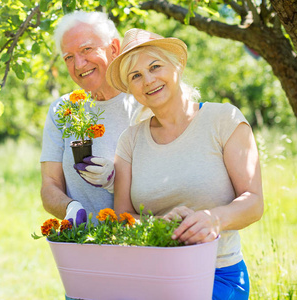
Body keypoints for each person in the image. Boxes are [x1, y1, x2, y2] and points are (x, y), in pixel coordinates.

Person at [106, 28, 264, 300]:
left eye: (155, 66)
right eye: (136, 76)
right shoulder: (129, 141)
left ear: (177, 64)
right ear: (130, 89)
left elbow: (254, 202)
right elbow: (123, 218)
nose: (148, 80)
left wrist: (214, 219)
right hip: (151, 275)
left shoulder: (223, 119)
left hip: (218, 274)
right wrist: (158, 225)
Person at [40, 11, 141, 227]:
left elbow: (168, 184)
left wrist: (116, 180)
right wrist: (70, 207)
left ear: (114, 48)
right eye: (68, 57)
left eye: (86, 49)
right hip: (85, 247)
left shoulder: (144, 103)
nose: (78, 65)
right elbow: (49, 185)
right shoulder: (63, 110)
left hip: (140, 243)